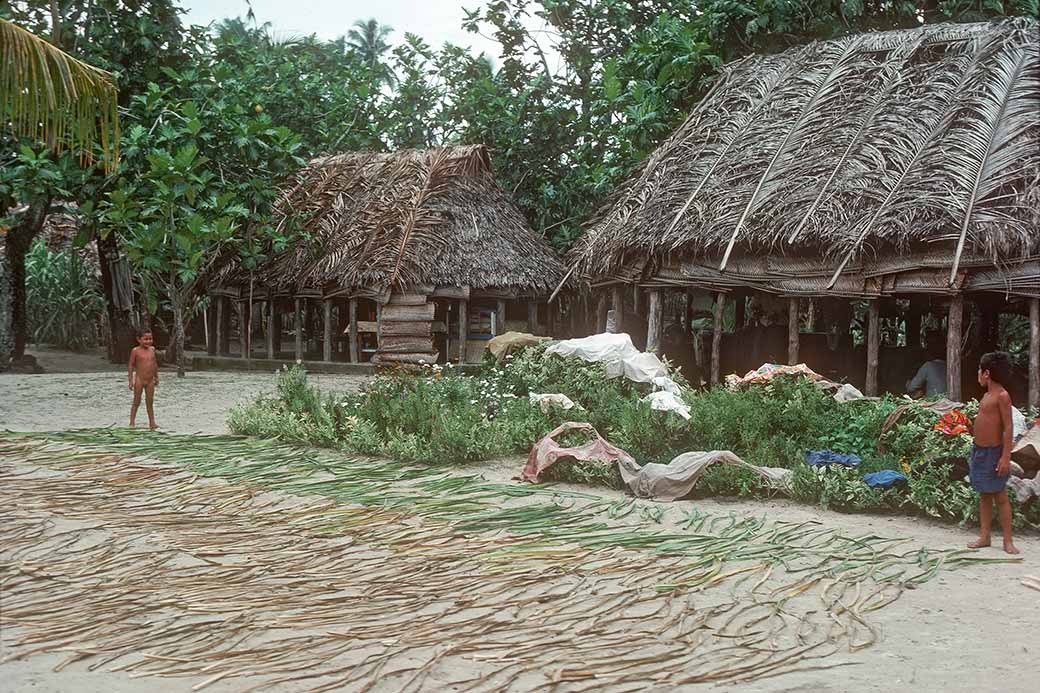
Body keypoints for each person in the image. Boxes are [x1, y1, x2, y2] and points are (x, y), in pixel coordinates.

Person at [967, 351, 1018, 554]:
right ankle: (985, 536)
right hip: (979, 452)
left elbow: (1008, 428)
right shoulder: (987, 395)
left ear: (986, 373)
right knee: (984, 495)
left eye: (979, 370)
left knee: (1001, 496)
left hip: (994, 453)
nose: (977, 374)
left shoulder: (1002, 396)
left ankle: (1008, 541)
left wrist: (1005, 456)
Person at [128, 328, 160, 429]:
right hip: (139, 380)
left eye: (150, 339)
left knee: (150, 402)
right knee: (136, 401)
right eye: (145, 339)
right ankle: (132, 422)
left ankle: (152, 422)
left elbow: (154, 364)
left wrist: (156, 376)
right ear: (139, 339)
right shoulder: (135, 351)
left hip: (150, 380)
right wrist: (130, 381)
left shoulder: (152, 350)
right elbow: (131, 365)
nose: (148, 341)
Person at [906, 331, 947, 397]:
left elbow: (910, 388)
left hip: (933, 404)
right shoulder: (949, 366)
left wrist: (909, 378)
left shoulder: (928, 366)